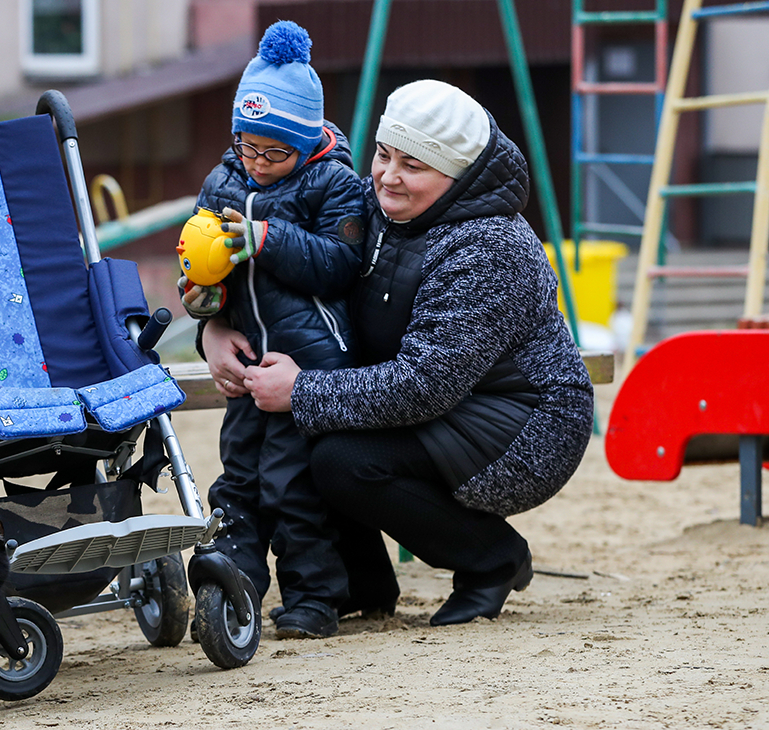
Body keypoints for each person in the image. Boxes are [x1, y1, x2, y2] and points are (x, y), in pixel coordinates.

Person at [203, 78, 595, 626]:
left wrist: (301, 389)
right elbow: (271, 264)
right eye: (384, 155)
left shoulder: (490, 248)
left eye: (413, 165)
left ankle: (492, 560)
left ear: (456, 175)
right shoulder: (370, 203)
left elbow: (423, 386)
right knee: (321, 434)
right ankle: (362, 584)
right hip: (445, 398)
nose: (388, 176)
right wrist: (214, 326)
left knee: (342, 460)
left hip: (522, 423)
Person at [180, 20, 367, 639]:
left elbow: (341, 264)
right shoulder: (224, 180)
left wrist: (266, 237)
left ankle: (315, 597)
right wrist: (206, 306)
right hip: (249, 364)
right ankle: (235, 587)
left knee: (291, 485)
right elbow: (207, 261)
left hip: (309, 362)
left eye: (274, 153)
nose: (258, 164)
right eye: (247, 146)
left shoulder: (332, 181)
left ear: (306, 140)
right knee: (237, 477)